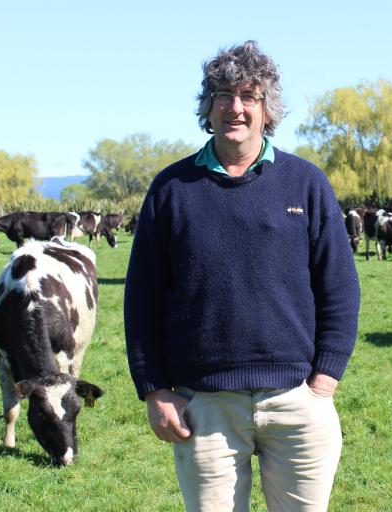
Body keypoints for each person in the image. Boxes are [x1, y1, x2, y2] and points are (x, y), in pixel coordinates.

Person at [124, 40, 360, 511]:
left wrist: (325, 380)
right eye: (224, 95)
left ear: (266, 108)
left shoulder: (305, 183)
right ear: (207, 108)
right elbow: (142, 298)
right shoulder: (172, 189)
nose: (236, 108)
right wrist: (154, 388)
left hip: (298, 400)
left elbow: (339, 286)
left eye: (249, 97)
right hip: (205, 406)